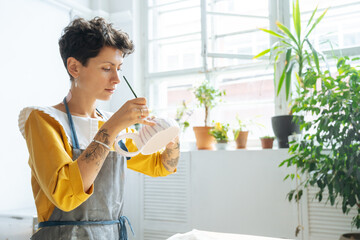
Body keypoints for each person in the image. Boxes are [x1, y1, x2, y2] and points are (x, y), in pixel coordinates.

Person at [18, 17, 180, 239]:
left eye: (119, 69)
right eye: (106, 68)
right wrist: (112, 127)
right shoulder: (43, 120)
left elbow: (161, 166)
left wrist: (171, 136)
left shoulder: (112, 122)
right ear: (74, 67)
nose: (116, 79)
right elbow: (65, 195)